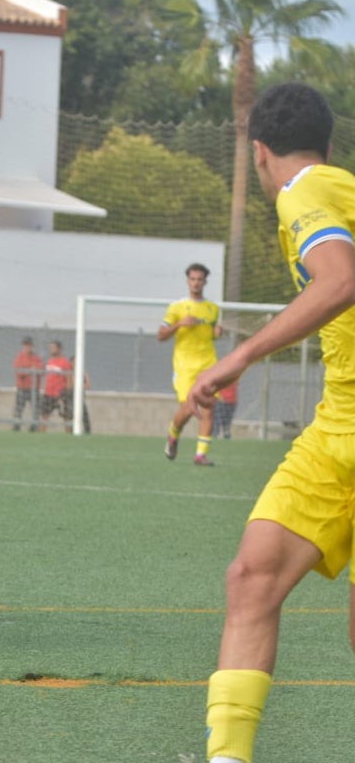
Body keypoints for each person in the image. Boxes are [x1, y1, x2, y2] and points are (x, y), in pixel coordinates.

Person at [187, 84, 355, 763]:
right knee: (253, 576)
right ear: (330, 142)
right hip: (339, 425)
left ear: (258, 153)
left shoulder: (303, 192)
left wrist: (243, 355)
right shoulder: (340, 186)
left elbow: (339, 279)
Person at [159, 263, 223, 466]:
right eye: (192, 279)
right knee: (188, 409)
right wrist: (179, 324)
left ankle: (200, 455)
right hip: (185, 365)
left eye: (199, 279)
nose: (196, 283)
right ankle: (173, 434)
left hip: (208, 363)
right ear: (188, 281)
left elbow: (211, 334)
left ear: (205, 282)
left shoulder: (213, 309)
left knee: (209, 407)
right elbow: (161, 335)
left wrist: (216, 334)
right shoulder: (176, 308)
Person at [39, 340, 72, 433]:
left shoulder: (64, 362)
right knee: (44, 415)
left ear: (59, 349)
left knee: (66, 417)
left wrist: (66, 393)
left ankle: (69, 436)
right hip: (48, 393)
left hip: (60, 394)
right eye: (50, 348)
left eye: (53, 348)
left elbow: (69, 378)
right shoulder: (49, 361)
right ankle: (40, 435)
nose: (51, 350)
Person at [12, 336, 43, 431]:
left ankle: (34, 428)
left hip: (34, 389)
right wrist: (30, 370)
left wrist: (30, 370)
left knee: (36, 410)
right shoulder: (19, 357)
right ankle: (16, 427)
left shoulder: (36, 358)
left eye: (29, 345)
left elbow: (40, 370)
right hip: (22, 388)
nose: (27, 348)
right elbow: (20, 372)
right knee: (19, 409)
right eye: (25, 345)